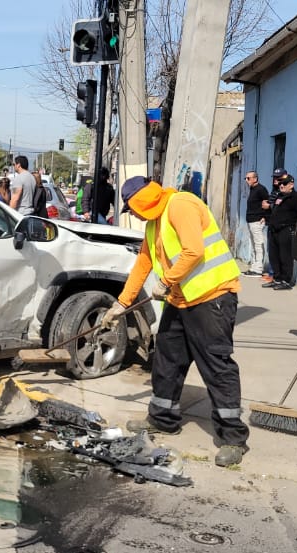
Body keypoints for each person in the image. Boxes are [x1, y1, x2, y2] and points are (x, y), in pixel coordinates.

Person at [102, 176, 249, 467]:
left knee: (217, 366)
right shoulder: (154, 222)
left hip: (212, 297)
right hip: (181, 300)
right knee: (166, 359)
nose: (132, 214)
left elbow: (194, 250)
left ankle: (233, 439)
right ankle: (162, 419)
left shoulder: (180, 205)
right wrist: (122, 303)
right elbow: (143, 262)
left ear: (142, 201)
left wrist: (167, 281)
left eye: (131, 208)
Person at [264, 173, 297, 290]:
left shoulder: (296, 198)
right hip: (274, 229)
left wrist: (294, 227)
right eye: (280, 183)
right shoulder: (279, 196)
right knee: (274, 255)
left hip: (286, 230)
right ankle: (277, 279)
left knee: (285, 256)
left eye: (284, 183)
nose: (281, 185)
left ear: (291, 184)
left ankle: (286, 280)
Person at [243, 171, 270, 277]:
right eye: (246, 178)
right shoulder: (252, 189)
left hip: (257, 220)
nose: (246, 180)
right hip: (251, 220)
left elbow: (267, 204)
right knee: (253, 244)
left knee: (258, 244)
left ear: (255, 178)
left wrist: (265, 217)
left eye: (248, 178)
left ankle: (258, 269)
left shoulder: (261, 189)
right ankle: (254, 267)